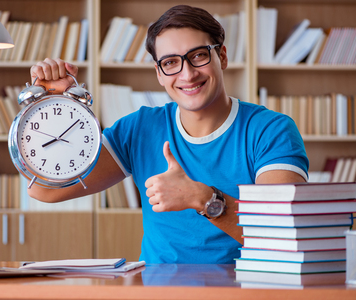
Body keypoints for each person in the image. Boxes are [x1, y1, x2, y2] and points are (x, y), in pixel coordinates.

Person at [27, 4, 309, 264]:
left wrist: (204, 199)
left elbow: (283, 238)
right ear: (159, 74)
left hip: (245, 290)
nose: (187, 75)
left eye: (198, 56)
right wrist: (55, 105)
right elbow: (44, 190)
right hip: (158, 290)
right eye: (171, 63)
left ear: (221, 56)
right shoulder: (138, 129)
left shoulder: (271, 131)